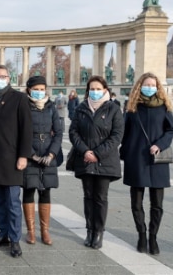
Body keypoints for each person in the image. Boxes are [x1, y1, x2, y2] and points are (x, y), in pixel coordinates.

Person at [120, 72, 173, 255]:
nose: (150, 87)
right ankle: (141, 235)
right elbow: (124, 133)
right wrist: (124, 153)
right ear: (139, 86)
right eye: (147, 84)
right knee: (136, 202)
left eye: (153, 85)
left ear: (158, 87)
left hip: (157, 161)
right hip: (136, 158)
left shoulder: (164, 107)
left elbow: (171, 130)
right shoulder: (132, 108)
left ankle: (153, 237)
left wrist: (160, 144)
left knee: (157, 203)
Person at [0, 64, 33, 258]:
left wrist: (23, 156)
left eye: (2, 76)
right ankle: (3, 234)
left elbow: (27, 129)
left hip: (12, 158)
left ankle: (15, 239)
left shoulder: (19, 98)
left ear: (9, 78)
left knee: (12, 202)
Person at [69, 75, 124, 250]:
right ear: (87, 91)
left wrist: (97, 154)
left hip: (104, 160)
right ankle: (89, 230)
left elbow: (117, 136)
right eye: (92, 89)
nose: (95, 91)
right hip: (85, 158)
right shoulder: (81, 108)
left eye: (98, 88)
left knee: (100, 197)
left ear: (105, 90)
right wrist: (85, 151)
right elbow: (73, 132)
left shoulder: (114, 109)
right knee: (88, 196)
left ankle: (99, 231)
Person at [22, 76, 62, 246]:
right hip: (31, 155)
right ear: (29, 89)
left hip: (48, 155)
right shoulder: (23, 107)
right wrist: (32, 154)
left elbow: (59, 132)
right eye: (36, 89)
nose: (39, 92)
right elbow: (19, 133)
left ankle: (45, 231)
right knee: (29, 190)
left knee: (46, 191)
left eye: (42, 89)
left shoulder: (52, 107)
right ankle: (31, 231)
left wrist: (51, 154)